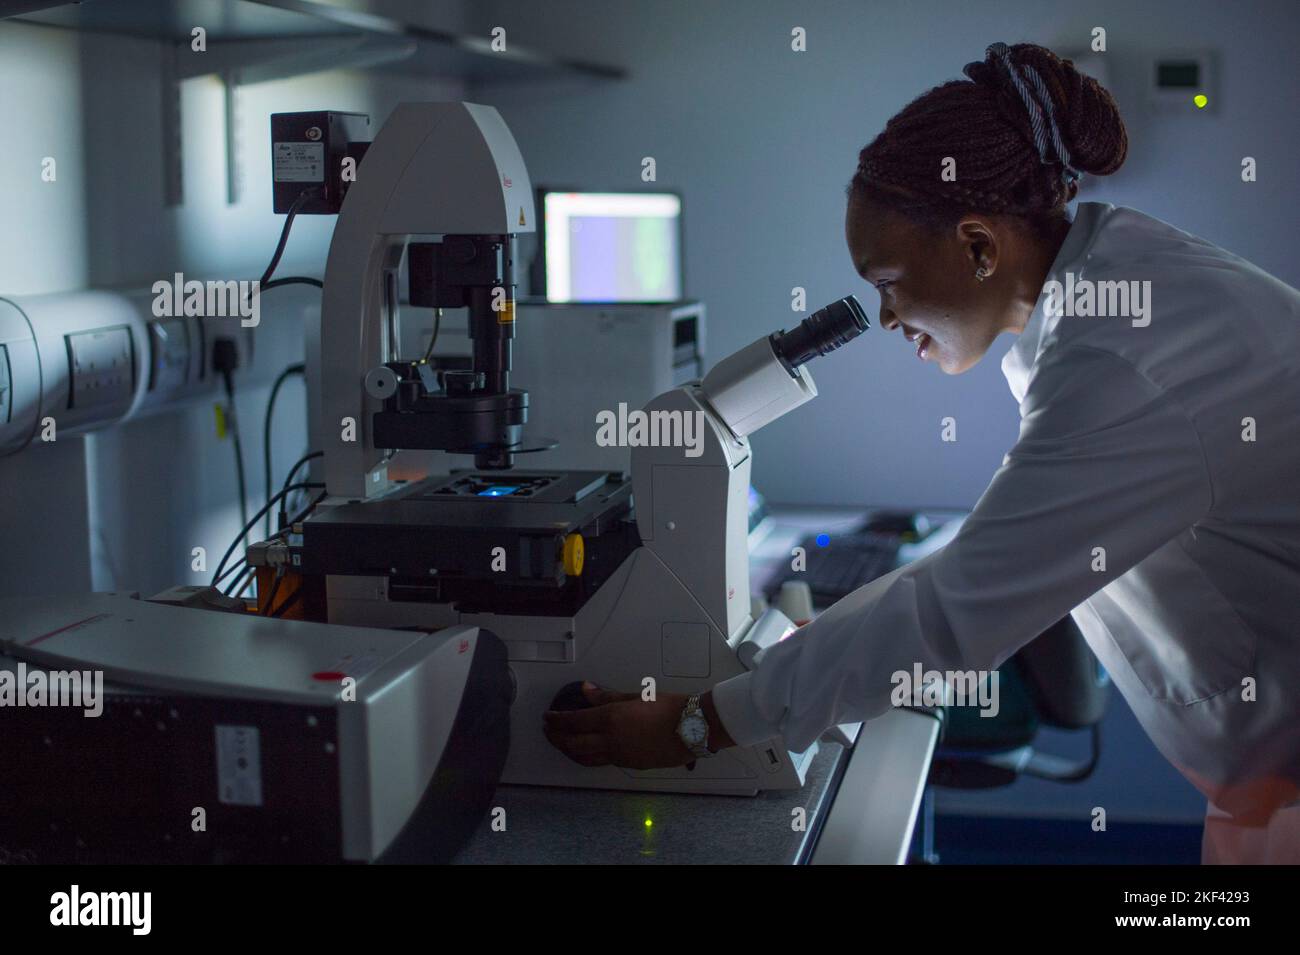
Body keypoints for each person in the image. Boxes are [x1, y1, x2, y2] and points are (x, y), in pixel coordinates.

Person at [543, 42, 1300, 864]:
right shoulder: (1104, 297)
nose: (885, 317)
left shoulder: (1121, 355)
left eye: (888, 281)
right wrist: (783, 668)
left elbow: (953, 614)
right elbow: (972, 571)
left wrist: (699, 724)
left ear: (978, 245)